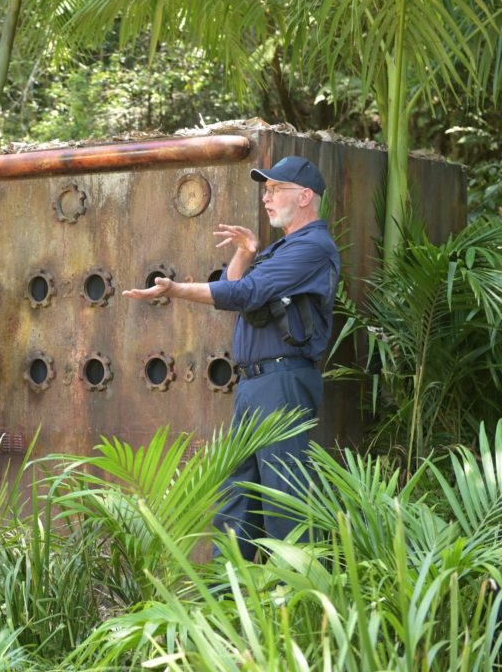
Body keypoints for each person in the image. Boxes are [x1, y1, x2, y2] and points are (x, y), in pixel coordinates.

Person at [123, 156, 340, 560]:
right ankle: (228, 600)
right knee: (239, 495)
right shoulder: (283, 248)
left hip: (283, 381)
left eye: (276, 189)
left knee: (283, 495)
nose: (266, 198)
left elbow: (244, 294)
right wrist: (245, 252)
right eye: (266, 190)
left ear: (305, 196)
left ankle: (296, 599)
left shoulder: (312, 248)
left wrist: (175, 289)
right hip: (256, 384)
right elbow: (238, 290)